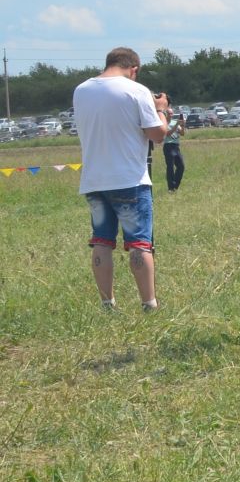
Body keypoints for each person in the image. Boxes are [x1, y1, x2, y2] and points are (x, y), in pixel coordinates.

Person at [73, 47, 169, 312]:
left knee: (101, 241)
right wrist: (161, 109)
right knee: (139, 242)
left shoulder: (81, 91)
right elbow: (157, 134)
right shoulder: (135, 90)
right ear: (134, 69)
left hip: (94, 179)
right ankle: (149, 303)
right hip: (129, 179)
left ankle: (107, 303)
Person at [161, 107, 186, 192]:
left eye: (172, 113)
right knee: (170, 167)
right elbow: (167, 134)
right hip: (168, 146)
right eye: (169, 113)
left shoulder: (175, 122)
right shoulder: (164, 124)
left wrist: (182, 125)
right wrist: (176, 125)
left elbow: (182, 133)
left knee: (181, 166)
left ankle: (175, 185)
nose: (171, 115)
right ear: (165, 114)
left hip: (176, 146)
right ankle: (171, 188)